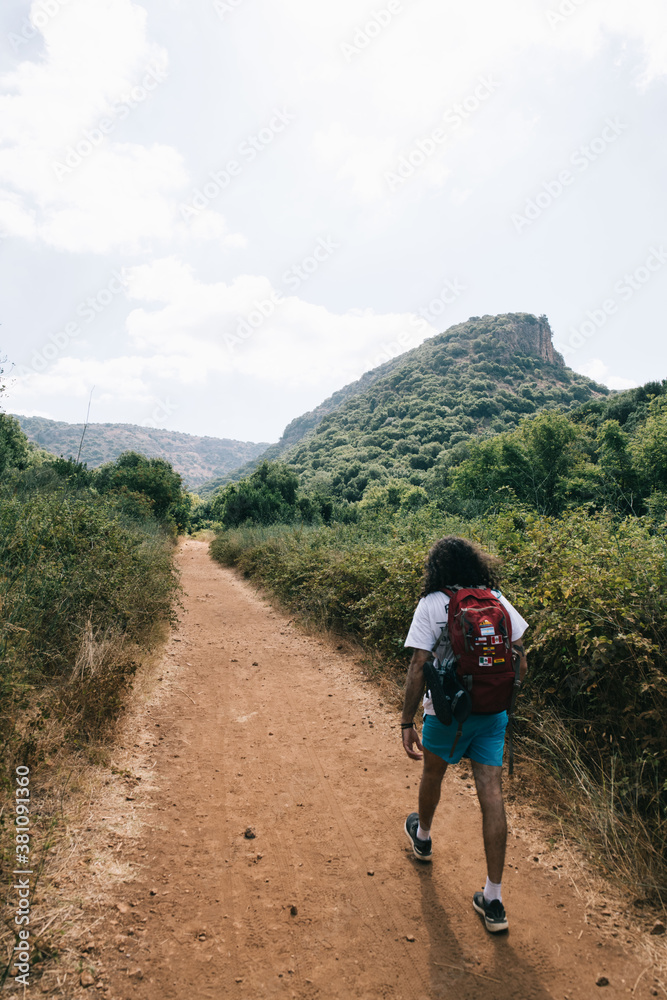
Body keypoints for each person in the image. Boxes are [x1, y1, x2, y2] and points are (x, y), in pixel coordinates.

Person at [400, 535, 528, 933]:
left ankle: (422, 837)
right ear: (475, 564)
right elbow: (521, 653)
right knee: (491, 794)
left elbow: (419, 665)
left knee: (433, 775)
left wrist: (407, 721)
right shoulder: (496, 598)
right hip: (493, 712)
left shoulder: (432, 604)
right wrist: (507, 699)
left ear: (436, 568)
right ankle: (494, 900)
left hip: (448, 714)